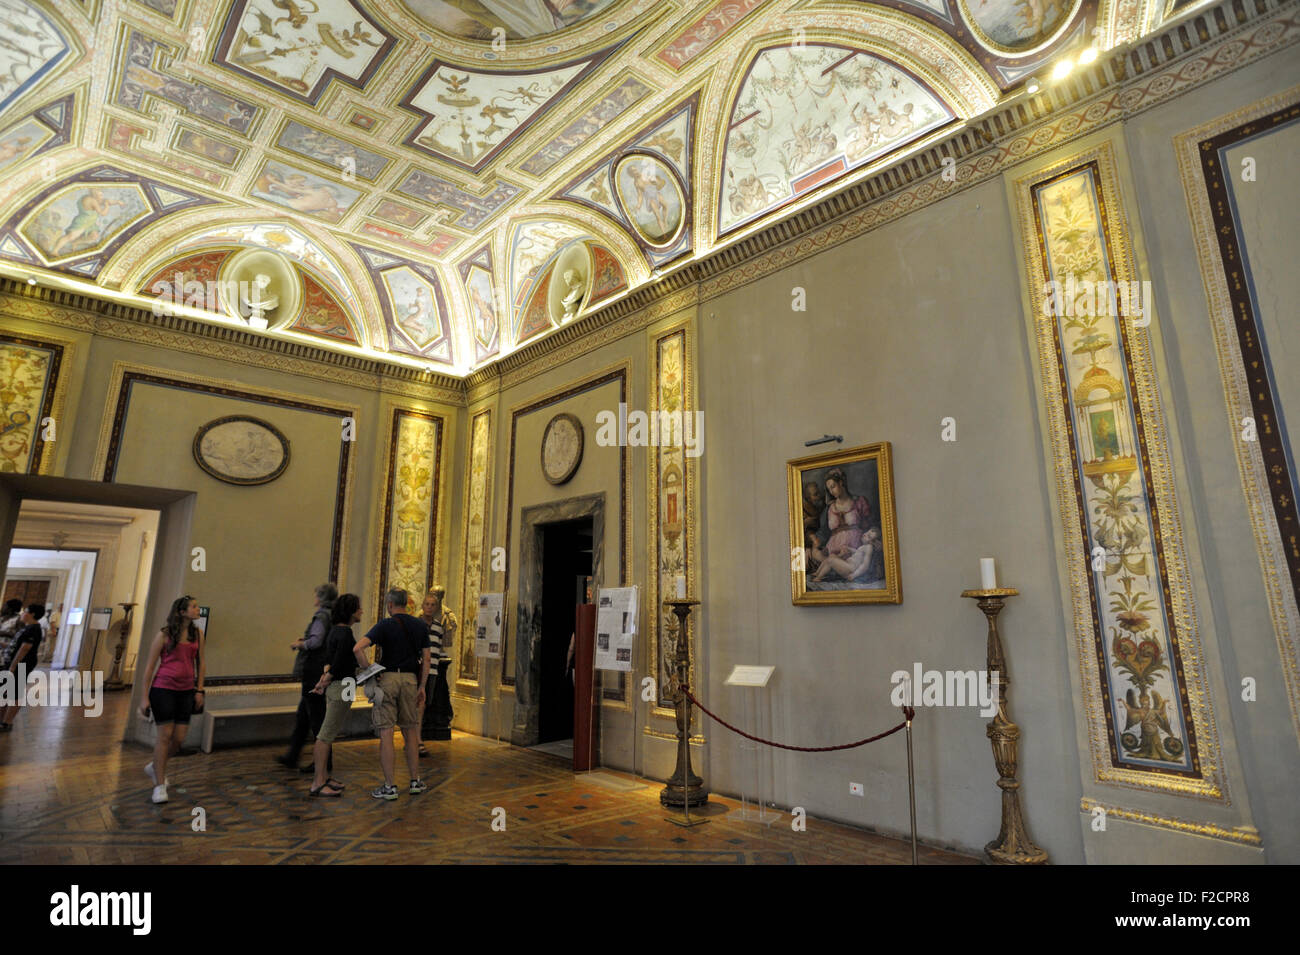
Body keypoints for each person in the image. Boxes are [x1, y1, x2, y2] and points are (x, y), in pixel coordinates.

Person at [353, 588, 430, 800]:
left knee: (387, 732)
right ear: (407, 604)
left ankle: (390, 786)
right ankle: (415, 781)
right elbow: (427, 659)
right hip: (410, 680)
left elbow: (358, 648)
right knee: (410, 731)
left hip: (387, 680)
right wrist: (422, 686)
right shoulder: (420, 625)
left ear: (389, 605)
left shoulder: (385, 625)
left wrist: (370, 671)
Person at [137, 596, 205, 803]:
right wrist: (144, 697)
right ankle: (159, 785)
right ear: (182, 612)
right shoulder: (164, 635)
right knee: (164, 736)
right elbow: (149, 667)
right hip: (163, 689)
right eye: (193, 606)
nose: (197, 609)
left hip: (186, 691)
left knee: (179, 739)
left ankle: (155, 766)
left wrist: (199, 689)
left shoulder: (197, 634)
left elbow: (201, 664)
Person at [306, 593, 363, 797]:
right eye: (358, 608)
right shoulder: (346, 633)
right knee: (326, 735)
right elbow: (338, 663)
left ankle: (324, 776)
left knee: (329, 733)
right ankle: (318, 782)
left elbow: (329, 660)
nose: (361, 611)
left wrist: (324, 678)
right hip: (343, 685)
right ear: (350, 611)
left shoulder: (334, 631)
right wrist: (326, 678)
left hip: (337, 686)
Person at [277, 583, 335, 772]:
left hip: (313, 671)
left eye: (317, 595)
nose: (315, 598)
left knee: (316, 717)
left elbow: (316, 641)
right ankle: (293, 755)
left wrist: (299, 644)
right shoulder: (331, 615)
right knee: (304, 716)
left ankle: (324, 761)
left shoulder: (321, 616)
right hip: (319, 670)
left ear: (322, 597)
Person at [416, 587, 455, 748]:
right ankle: (416, 739)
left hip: (432, 671)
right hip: (418, 670)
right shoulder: (416, 624)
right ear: (423, 605)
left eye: (433, 604)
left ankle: (416, 738)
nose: (430, 607)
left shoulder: (440, 625)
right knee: (418, 704)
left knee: (424, 703)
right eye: (427, 604)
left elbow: (438, 648)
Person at [0, 605, 45, 731]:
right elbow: (16, 645)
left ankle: (7, 722)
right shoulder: (27, 628)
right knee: (5, 692)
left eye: (25, 611)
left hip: (21, 665)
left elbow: (25, 648)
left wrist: (13, 666)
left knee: (14, 694)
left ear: (33, 614)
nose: (22, 613)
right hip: (12, 664)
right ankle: (2, 719)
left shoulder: (34, 629)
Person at [823, 467, 872, 559]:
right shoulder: (830, 508)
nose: (831, 491)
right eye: (829, 489)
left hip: (855, 546)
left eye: (833, 487)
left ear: (841, 483)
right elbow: (826, 531)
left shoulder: (859, 501)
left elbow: (867, 525)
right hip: (834, 548)